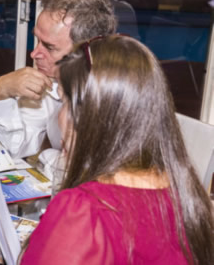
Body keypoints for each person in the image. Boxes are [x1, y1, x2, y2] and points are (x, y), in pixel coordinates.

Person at [20, 35, 214, 264]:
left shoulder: (85, 212)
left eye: (63, 102)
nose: (59, 116)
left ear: (89, 116)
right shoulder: (189, 195)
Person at [0, 0, 116, 170]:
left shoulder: (115, 95)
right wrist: (3, 92)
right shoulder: (52, 83)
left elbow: (85, 172)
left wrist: (47, 154)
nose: (34, 54)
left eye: (49, 47)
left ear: (85, 52)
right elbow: (17, 148)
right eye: (37, 40)